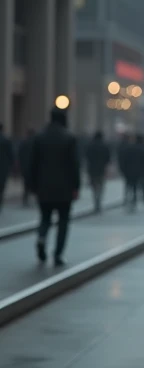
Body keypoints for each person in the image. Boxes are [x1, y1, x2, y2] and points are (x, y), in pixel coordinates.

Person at [29, 108, 80, 266]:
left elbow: (33, 164)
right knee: (63, 221)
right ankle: (58, 254)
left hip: (44, 187)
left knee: (45, 218)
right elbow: (74, 165)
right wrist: (76, 186)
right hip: (64, 188)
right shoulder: (69, 138)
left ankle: (42, 238)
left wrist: (33, 185)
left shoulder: (39, 137)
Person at [85, 131, 111, 213]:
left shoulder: (90, 146)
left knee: (94, 186)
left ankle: (95, 199)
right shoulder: (104, 146)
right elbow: (108, 158)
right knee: (101, 185)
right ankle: (98, 201)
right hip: (101, 169)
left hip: (92, 169)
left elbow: (86, 156)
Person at [18, 129, 36, 207]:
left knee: (26, 184)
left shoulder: (24, 142)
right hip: (34, 166)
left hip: (25, 166)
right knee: (34, 182)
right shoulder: (36, 143)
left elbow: (20, 154)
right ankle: (34, 197)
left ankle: (25, 198)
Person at [0, 123, 13, 211]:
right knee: (1, 188)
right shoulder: (5, 140)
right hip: (3, 168)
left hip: (4, 167)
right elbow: (10, 154)